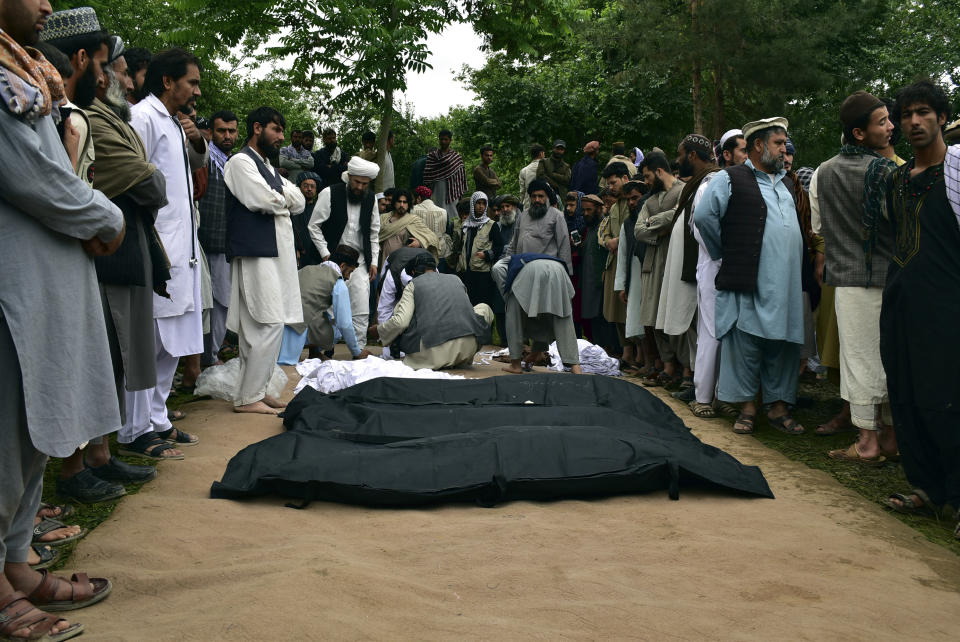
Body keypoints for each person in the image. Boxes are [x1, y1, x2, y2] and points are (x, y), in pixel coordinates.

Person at [1, 2, 123, 636]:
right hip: (11, 282)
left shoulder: (20, 69)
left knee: (30, 427)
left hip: (42, 279)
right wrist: (105, 216)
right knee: (3, 430)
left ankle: (14, 565)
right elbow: (33, 177)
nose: (47, 3)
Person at [880, 81, 960, 533]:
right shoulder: (897, 178)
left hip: (947, 306)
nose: (913, 122)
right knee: (907, 395)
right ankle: (927, 487)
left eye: (924, 112)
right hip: (902, 304)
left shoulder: (957, 170)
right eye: (907, 114)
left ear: (942, 118)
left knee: (948, 398)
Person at [694, 117, 806, 436]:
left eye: (785, 144)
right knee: (746, 341)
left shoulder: (786, 181)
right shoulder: (730, 177)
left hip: (785, 283)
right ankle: (747, 408)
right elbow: (704, 216)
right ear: (758, 145)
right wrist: (722, 252)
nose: (784, 149)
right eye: (778, 143)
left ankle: (779, 407)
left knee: (782, 344)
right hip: (750, 279)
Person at [124, 47, 206, 458]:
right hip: (158, 246)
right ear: (167, 81)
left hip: (183, 247)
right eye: (191, 82)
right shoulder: (142, 118)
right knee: (150, 340)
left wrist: (195, 138)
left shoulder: (175, 122)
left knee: (172, 341)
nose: (196, 91)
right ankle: (135, 429)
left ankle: (158, 420)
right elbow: (130, 178)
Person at [808, 91, 898, 460]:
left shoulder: (822, 173)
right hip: (890, 279)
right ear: (859, 133)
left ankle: (867, 440)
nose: (891, 126)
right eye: (882, 121)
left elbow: (818, 228)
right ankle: (885, 440)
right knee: (890, 359)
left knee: (859, 360)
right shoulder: (890, 172)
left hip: (848, 281)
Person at [223, 106, 305, 414]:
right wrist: (281, 197)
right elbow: (260, 199)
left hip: (275, 256)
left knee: (272, 322)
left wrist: (279, 197)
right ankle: (250, 397)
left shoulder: (267, 167)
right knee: (264, 322)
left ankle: (253, 392)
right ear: (257, 128)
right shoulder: (240, 162)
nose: (282, 137)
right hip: (257, 253)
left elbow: (298, 200)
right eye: (277, 130)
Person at [307, 156, 381, 348]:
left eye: (365, 184)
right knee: (328, 309)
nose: (360, 187)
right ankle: (325, 349)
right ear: (349, 177)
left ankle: (359, 351)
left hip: (361, 262)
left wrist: (374, 262)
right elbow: (313, 226)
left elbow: (374, 232)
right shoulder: (329, 193)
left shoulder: (371, 198)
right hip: (332, 261)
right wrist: (326, 254)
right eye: (357, 182)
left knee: (361, 308)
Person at [379, 254, 493, 370]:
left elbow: (400, 322)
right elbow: (467, 313)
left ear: (413, 272)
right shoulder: (456, 279)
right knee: (484, 308)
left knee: (403, 314)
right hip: (466, 350)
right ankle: (459, 356)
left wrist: (380, 331)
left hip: (432, 357)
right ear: (435, 269)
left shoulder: (413, 284)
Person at [634, 152, 686, 387]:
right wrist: (662, 228)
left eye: (647, 176)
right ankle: (667, 368)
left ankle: (684, 370)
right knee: (653, 318)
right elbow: (638, 231)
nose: (645, 182)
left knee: (674, 315)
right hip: (653, 262)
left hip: (675, 261)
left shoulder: (684, 191)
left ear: (659, 171)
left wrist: (654, 222)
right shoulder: (648, 201)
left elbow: (681, 215)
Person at [197, 109, 237, 367]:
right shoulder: (206, 158)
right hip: (206, 241)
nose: (227, 135)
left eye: (232, 131)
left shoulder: (231, 161)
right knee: (210, 304)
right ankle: (206, 360)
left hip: (226, 244)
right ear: (211, 132)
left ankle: (209, 357)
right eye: (221, 130)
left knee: (222, 302)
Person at [500, 256, 582, 375]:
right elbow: (543, 316)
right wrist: (535, 352)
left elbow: (498, 270)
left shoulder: (502, 263)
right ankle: (575, 366)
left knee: (514, 319)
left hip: (532, 272)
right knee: (562, 317)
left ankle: (515, 365)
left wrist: (509, 298)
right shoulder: (525, 258)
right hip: (559, 271)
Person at [294, 245, 370, 360]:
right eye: (350, 271)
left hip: (285, 327)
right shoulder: (338, 282)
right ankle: (315, 350)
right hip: (302, 332)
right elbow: (345, 324)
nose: (349, 277)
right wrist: (356, 351)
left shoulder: (305, 270)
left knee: (324, 315)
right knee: (338, 328)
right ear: (342, 265)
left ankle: (314, 352)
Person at [598, 161, 636, 367]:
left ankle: (637, 355)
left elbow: (636, 228)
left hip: (631, 261)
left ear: (625, 178)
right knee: (614, 311)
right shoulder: (615, 205)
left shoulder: (634, 199)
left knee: (628, 310)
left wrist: (618, 241)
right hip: (613, 261)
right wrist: (608, 242)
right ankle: (626, 353)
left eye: (613, 183)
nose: (610, 187)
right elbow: (606, 232)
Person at [459, 191, 504, 314]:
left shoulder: (491, 225)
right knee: (469, 307)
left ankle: (485, 331)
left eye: (484, 203)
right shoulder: (466, 225)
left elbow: (500, 247)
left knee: (483, 308)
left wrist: (487, 254)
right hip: (467, 273)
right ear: (473, 205)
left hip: (483, 274)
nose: (481, 206)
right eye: (478, 203)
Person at [378, 187, 438, 261]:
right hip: (383, 261)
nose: (402, 205)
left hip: (404, 263)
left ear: (408, 204)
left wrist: (419, 242)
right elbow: (374, 235)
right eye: (399, 201)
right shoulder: (384, 218)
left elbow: (432, 238)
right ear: (394, 202)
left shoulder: (413, 220)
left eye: (404, 202)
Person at [422, 129, 467, 221]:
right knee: (435, 213)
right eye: (441, 139)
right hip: (436, 189)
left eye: (446, 139)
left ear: (450, 140)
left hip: (452, 191)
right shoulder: (432, 156)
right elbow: (427, 175)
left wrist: (459, 190)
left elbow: (461, 177)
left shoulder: (456, 157)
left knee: (452, 215)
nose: (443, 141)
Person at [411, 185, 451, 262]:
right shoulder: (444, 212)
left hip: (419, 253)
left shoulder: (412, 210)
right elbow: (447, 231)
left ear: (419, 198)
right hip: (440, 252)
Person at [292, 171, 323, 267]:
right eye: (305, 186)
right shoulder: (293, 208)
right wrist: (295, 248)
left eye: (312, 186)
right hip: (298, 254)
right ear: (299, 187)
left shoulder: (320, 208)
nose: (309, 189)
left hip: (316, 255)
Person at [518, 144, 545, 209]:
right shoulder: (547, 168)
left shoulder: (524, 171)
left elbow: (522, 192)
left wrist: (521, 204)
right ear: (541, 154)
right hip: (545, 204)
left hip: (529, 205)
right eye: (544, 153)